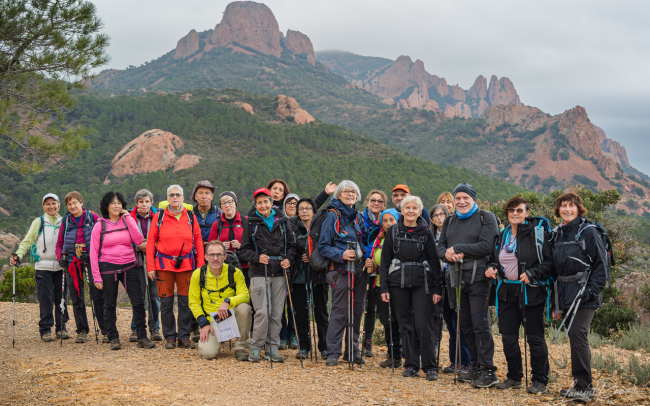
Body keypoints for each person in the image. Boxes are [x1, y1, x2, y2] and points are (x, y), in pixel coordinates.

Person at [485, 196, 553, 394]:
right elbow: (493, 260)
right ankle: (514, 377)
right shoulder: (502, 235)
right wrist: (491, 268)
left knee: (534, 338)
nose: (515, 213)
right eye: (511, 210)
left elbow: (549, 263)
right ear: (507, 213)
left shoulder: (538, 234)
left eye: (520, 210)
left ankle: (540, 380)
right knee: (508, 337)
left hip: (530, 291)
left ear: (527, 213)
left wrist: (532, 273)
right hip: (506, 291)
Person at [436, 182, 500, 388]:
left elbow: (486, 246)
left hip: (479, 280)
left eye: (466, 198)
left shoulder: (485, 217)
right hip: (456, 280)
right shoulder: (450, 221)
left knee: (479, 325)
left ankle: (488, 371)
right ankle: (475, 367)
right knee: (464, 326)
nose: (461, 201)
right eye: (458, 198)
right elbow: (439, 249)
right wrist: (448, 253)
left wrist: (457, 248)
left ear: (474, 199)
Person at [551, 192, 608, 403]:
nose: (567, 209)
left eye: (571, 206)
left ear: (578, 208)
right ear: (558, 210)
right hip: (566, 294)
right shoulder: (558, 233)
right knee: (576, 338)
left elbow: (601, 266)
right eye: (563, 206)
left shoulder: (588, 232)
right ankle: (579, 385)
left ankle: (585, 388)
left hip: (585, 295)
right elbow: (556, 273)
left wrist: (591, 292)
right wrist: (555, 304)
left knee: (577, 334)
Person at [379, 196, 442, 380]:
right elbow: (385, 262)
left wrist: (437, 289)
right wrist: (384, 288)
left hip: (422, 284)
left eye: (415, 208)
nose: (411, 211)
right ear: (402, 210)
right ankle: (411, 365)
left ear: (419, 211)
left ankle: (430, 367)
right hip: (398, 284)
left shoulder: (426, 232)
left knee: (424, 325)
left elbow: (434, 262)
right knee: (405, 325)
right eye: (408, 207)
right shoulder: (393, 232)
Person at [90, 191, 156, 350]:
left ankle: (142, 336)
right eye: (113, 203)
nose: (116, 206)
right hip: (108, 267)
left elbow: (139, 240)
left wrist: (128, 218)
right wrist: (96, 277)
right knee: (109, 303)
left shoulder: (128, 221)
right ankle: (113, 337)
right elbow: (93, 252)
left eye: (119, 203)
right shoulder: (100, 225)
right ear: (106, 206)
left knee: (138, 302)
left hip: (129, 265)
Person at [239, 187, 297, 363]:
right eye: (259, 202)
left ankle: (272, 348)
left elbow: (292, 247)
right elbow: (244, 250)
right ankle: (256, 346)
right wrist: (257, 257)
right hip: (258, 272)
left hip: (280, 272)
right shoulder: (251, 223)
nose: (263, 205)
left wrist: (289, 260)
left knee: (277, 313)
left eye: (266, 201)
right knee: (262, 312)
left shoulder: (283, 221)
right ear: (255, 205)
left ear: (272, 203)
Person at [146, 185, 205, 350]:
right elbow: (151, 242)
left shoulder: (190, 216)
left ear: (182, 198)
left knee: (186, 303)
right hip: (164, 265)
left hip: (187, 265)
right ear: (167, 198)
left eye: (177, 195)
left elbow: (198, 241)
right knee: (166, 303)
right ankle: (170, 337)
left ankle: (184, 337)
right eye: (171, 195)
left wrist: (200, 265)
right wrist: (150, 266)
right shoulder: (160, 216)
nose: (174, 198)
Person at [319, 180, 367, 367]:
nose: (350, 194)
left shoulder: (358, 217)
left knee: (356, 312)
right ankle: (333, 353)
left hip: (359, 270)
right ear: (338, 194)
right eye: (346, 191)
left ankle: (353, 351)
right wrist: (341, 254)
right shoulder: (333, 215)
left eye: (353, 191)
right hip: (340, 271)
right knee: (339, 311)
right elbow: (323, 246)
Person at [11, 193, 69, 342]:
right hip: (43, 266)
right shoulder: (39, 222)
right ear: (43, 206)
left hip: (61, 266)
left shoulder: (64, 221)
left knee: (61, 298)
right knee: (46, 299)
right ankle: (45, 330)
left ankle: (61, 328)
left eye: (54, 203)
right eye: (48, 204)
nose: (51, 206)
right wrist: (17, 255)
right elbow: (27, 241)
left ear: (59, 205)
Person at [56, 191, 107, 343]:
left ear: (81, 202)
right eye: (69, 204)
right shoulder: (66, 221)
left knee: (97, 296)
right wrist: (61, 258)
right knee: (77, 297)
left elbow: (104, 238)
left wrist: (93, 254)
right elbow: (59, 243)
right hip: (72, 263)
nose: (72, 206)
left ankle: (105, 330)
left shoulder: (94, 218)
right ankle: (82, 331)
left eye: (75, 202)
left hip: (92, 262)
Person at [189, 240, 252, 361]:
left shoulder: (235, 272)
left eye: (219, 255)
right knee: (208, 354)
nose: (215, 258)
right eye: (212, 255)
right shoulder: (198, 274)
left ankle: (240, 346)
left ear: (225, 256)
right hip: (211, 319)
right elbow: (193, 302)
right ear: (206, 257)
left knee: (244, 308)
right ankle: (216, 341)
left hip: (230, 314)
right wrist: (204, 323)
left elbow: (245, 295)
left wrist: (228, 301)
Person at [430, 204, 472, 375]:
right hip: (441, 282)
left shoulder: (453, 234)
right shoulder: (431, 236)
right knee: (449, 322)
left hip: (456, 280)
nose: (440, 217)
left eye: (443, 214)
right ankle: (455, 360)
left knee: (459, 322)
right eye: (435, 215)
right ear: (431, 219)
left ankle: (467, 361)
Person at [289, 197, 330, 359]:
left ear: (314, 211)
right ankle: (304, 347)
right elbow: (290, 248)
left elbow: (326, 246)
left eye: (307, 208)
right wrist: (301, 257)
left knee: (320, 311)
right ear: (297, 212)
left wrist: (313, 256)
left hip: (318, 275)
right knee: (301, 313)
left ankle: (324, 347)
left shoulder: (321, 227)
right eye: (301, 209)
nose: (304, 211)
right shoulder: (293, 227)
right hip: (299, 276)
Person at [190, 180, 223, 342]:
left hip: (214, 258)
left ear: (212, 196)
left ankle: (217, 327)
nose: (204, 196)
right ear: (195, 197)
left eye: (207, 193)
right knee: (194, 292)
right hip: (193, 256)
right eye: (200, 193)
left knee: (213, 290)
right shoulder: (189, 214)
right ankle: (194, 327)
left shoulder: (219, 214)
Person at [371, 208, 404, 369]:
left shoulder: (402, 238)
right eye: (385, 220)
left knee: (397, 321)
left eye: (392, 220)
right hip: (379, 284)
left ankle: (400, 354)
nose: (389, 223)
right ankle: (393, 355)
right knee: (386, 321)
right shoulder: (379, 239)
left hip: (397, 286)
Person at [128, 189, 162, 342]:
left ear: (151, 203)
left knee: (154, 296)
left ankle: (155, 328)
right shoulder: (129, 217)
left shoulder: (159, 217)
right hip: (136, 260)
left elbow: (162, 236)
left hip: (155, 260)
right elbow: (126, 237)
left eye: (147, 201)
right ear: (136, 203)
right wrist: (139, 246)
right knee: (139, 296)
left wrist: (149, 246)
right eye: (141, 202)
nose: (144, 204)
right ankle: (136, 328)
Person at [360, 190, 388, 357]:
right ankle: (362, 340)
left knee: (376, 306)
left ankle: (371, 340)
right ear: (367, 202)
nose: (376, 203)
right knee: (363, 306)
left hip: (379, 270)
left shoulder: (387, 221)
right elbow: (358, 240)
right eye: (373, 200)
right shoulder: (360, 219)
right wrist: (366, 257)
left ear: (384, 204)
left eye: (379, 201)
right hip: (364, 267)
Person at [208, 191, 248, 285]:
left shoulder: (245, 221)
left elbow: (254, 244)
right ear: (221, 207)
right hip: (224, 266)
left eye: (230, 202)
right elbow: (210, 247)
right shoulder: (217, 225)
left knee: (246, 295)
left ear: (235, 204)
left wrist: (241, 246)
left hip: (245, 265)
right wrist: (220, 246)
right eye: (224, 203)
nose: (227, 205)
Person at [280, 192, 301, 350]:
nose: (292, 205)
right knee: (280, 304)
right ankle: (282, 334)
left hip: (297, 268)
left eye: (295, 203)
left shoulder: (302, 223)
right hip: (280, 267)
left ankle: (293, 334)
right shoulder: (279, 222)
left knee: (293, 303)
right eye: (289, 203)